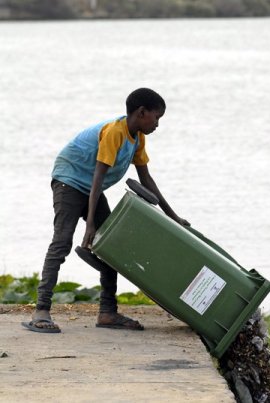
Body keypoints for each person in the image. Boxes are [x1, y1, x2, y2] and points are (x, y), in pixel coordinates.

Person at [22, 88, 188, 333]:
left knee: (113, 246)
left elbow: (146, 180)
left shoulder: (138, 138)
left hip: (90, 189)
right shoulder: (114, 132)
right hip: (69, 182)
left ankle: (107, 313)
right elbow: (98, 178)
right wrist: (90, 224)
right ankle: (41, 311)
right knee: (62, 242)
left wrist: (173, 217)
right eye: (157, 117)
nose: (157, 124)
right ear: (142, 113)